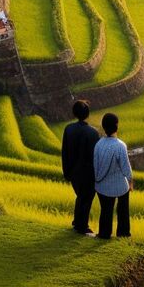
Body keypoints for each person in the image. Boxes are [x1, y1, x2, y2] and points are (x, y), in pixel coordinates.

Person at [61, 99, 100, 235]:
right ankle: (81, 225)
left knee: (81, 196)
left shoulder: (69, 129)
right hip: (88, 172)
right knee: (86, 197)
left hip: (73, 171)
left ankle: (78, 222)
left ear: (74, 113)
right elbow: (95, 156)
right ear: (87, 114)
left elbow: (64, 152)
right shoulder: (93, 133)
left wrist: (66, 171)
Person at [93, 112, 133, 239]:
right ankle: (123, 233)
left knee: (106, 210)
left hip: (102, 186)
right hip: (120, 186)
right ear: (116, 126)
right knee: (123, 210)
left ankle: (104, 233)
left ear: (104, 127)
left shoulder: (98, 144)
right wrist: (131, 182)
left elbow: (95, 165)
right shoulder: (120, 145)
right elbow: (126, 169)